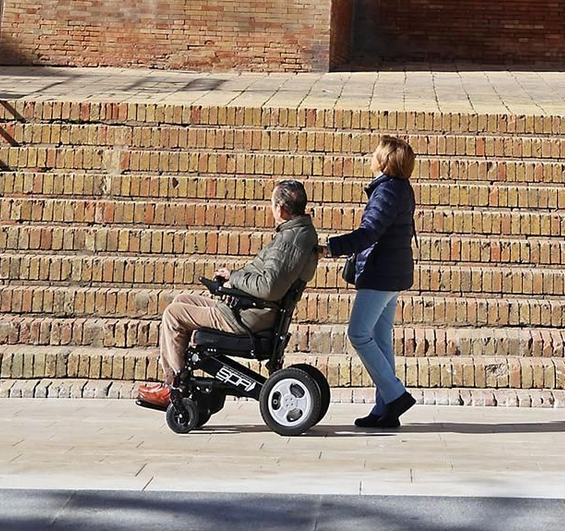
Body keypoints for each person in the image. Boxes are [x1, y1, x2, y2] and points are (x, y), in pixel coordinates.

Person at [135, 177, 319, 410]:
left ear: (281, 209)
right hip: (251, 308)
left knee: (173, 314)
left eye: (272, 204)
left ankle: (175, 386)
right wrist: (231, 283)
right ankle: (175, 379)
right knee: (182, 301)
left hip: (247, 316)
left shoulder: (288, 241)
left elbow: (268, 287)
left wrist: (234, 278)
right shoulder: (300, 232)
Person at [322, 133, 417, 429]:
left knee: (359, 334)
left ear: (384, 161)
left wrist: (331, 247)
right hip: (391, 273)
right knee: (380, 339)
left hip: (380, 274)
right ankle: (385, 409)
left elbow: (370, 232)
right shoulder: (399, 188)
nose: (370, 156)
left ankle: (395, 394)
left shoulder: (387, 191)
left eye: (376, 153)